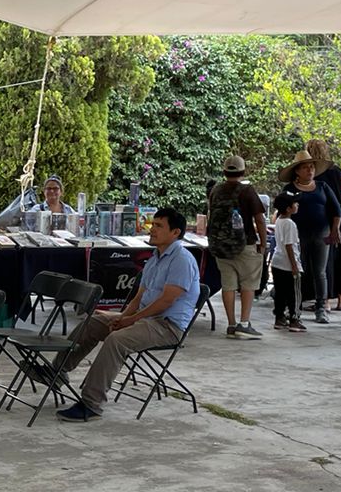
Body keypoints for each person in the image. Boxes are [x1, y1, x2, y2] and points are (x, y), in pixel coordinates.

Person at [54, 208, 200, 423]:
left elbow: (166, 301)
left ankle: (91, 404)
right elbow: (139, 297)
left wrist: (130, 320)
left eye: (159, 226)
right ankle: (57, 372)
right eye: (153, 224)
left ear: (175, 232)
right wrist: (122, 317)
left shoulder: (181, 259)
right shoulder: (155, 258)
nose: (152, 229)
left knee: (117, 340)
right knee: (93, 322)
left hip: (167, 326)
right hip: (145, 319)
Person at [206, 156, 266, 340]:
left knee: (228, 285)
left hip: (220, 246)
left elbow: (210, 215)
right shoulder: (247, 191)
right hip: (245, 245)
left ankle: (231, 325)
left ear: (224, 171)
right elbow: (259, 219)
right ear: (243, 171)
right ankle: (244, 324)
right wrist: (263, 243)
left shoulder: (215, 190)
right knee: (248, 283)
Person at [281, 153, 341, 324]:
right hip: (297, 235)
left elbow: (337, 209)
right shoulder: (290, 188)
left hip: (322, 233)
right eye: (305, 167)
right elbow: (282, 210)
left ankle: (321, 307)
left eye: (312, 167)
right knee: (298, 271)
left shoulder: (322, 186)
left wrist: (335, 229)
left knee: (320, 271)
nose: (310, 170)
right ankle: (294, 306)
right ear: (297, 171)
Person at [305, 140, 341, 314]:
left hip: (324, 220)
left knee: (324, 261)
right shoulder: (335, 169)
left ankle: (324, 301)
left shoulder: (312, 173)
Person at [269, 194, 305, 333]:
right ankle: (294, 319)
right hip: (288, 264)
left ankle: (279, 317)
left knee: (280, 293)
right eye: (295, 204)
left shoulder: (279, 220)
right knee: (295, 294)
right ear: (289, 208)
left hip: (277, 262)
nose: (297, 205)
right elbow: (289, 245)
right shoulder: (290, 224)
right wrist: (294, 266)